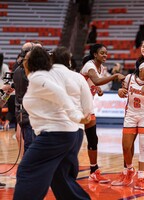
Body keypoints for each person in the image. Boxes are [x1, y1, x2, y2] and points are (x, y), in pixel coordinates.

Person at [13, 47, 91, 200]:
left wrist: (76, 116)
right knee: (58, 176)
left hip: (55, 134)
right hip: (63, 133)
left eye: (25, 60)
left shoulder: (38, 78)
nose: (22, 62)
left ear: (30, 62)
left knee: (27, 169)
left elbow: (60, 93)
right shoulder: (42, 76)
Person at [112, 61, 144, 190]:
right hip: (130, 115)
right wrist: (120, 92)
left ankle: (140, 178)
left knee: (143, 148)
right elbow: (122, 91)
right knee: (126, 147)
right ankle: (129, 169)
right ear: (141, 69)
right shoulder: (129, 79)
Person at [80, 43, 125, 183]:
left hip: (87, 105)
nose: (105, 55)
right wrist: (115, 76)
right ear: (95, 54)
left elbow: (94, 83)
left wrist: (97, 89)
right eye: (102, 53)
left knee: (93, 139)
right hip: (77, 106)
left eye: (106, 53)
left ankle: (94, 171)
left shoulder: (100, 67)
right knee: (72, 139)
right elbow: (97, 80)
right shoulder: (90, 65)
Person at [13, 42, 41, 153]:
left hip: (22, 111)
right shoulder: (28, 72)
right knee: (31, 144)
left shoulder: (17, 70)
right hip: (28, 112)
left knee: (29, 142)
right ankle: (29, 168)